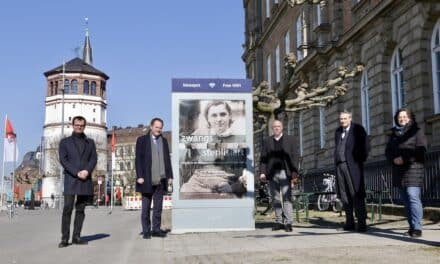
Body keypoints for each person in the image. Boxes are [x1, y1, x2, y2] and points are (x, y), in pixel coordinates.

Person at [385, 108, 427, 238]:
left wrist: (404, 158)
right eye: (399, 117)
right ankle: (411, 226)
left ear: (410, 118)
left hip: (413, 169)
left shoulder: (417, 132)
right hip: (399, 170)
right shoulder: (393, 134)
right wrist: (393, 159)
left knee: (413, 196)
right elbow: (387, 152)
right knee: (406, 200)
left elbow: (421, 150)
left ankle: (417, 228)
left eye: (404, 116)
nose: (402, 119)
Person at [58, 116, 97, 248]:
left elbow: (93, 159)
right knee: (67, 208)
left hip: (85, 179)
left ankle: (76, 236)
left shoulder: (90, 142)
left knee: (81, 209)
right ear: (72, 125)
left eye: (81, 125)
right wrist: (76, 172)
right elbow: (63, 160)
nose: (79, 127)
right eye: (77, 124)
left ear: (84, 126)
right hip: (71, 179)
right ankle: (64, 238)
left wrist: (87, 171)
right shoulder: (65, 142)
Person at [135, 117, 173, 239]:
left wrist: (170, 175)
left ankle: (156, 230)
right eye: (156, 127)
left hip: (161, 179)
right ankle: (146, 230)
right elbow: (138, 160)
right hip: (146, 179)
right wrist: (139, 176)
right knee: (145, 208)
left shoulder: (164, 141)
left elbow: (167, 160)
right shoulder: (142, 140)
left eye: (161, 128)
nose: (159, 130)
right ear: (151, 127)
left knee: (158, 207)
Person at [259, 120, 298, 232]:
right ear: (272, 128)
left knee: (287, 198)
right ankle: (279, 222)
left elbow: (295, 156)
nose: (276, 128)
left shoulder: (291, 139)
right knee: (275, 199)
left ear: (282, 127)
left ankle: (288, 222)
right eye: (274, 126)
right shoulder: (267, 141)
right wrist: (262, 172)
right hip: (272, 174)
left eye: (278, 126)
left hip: (285, 173)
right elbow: (263, 158)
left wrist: (295, 171)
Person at [334, 110, 369, 232]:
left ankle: (362, 223)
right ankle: (349, 222)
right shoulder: (338, 132)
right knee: (344, 195)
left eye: (345, 118)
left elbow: (366, 146)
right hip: (340, 166)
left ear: (350, 118)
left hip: (352, 166)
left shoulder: (358, 129)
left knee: (356, 194)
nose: (342, 121)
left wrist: (358, 160)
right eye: (341, 119)